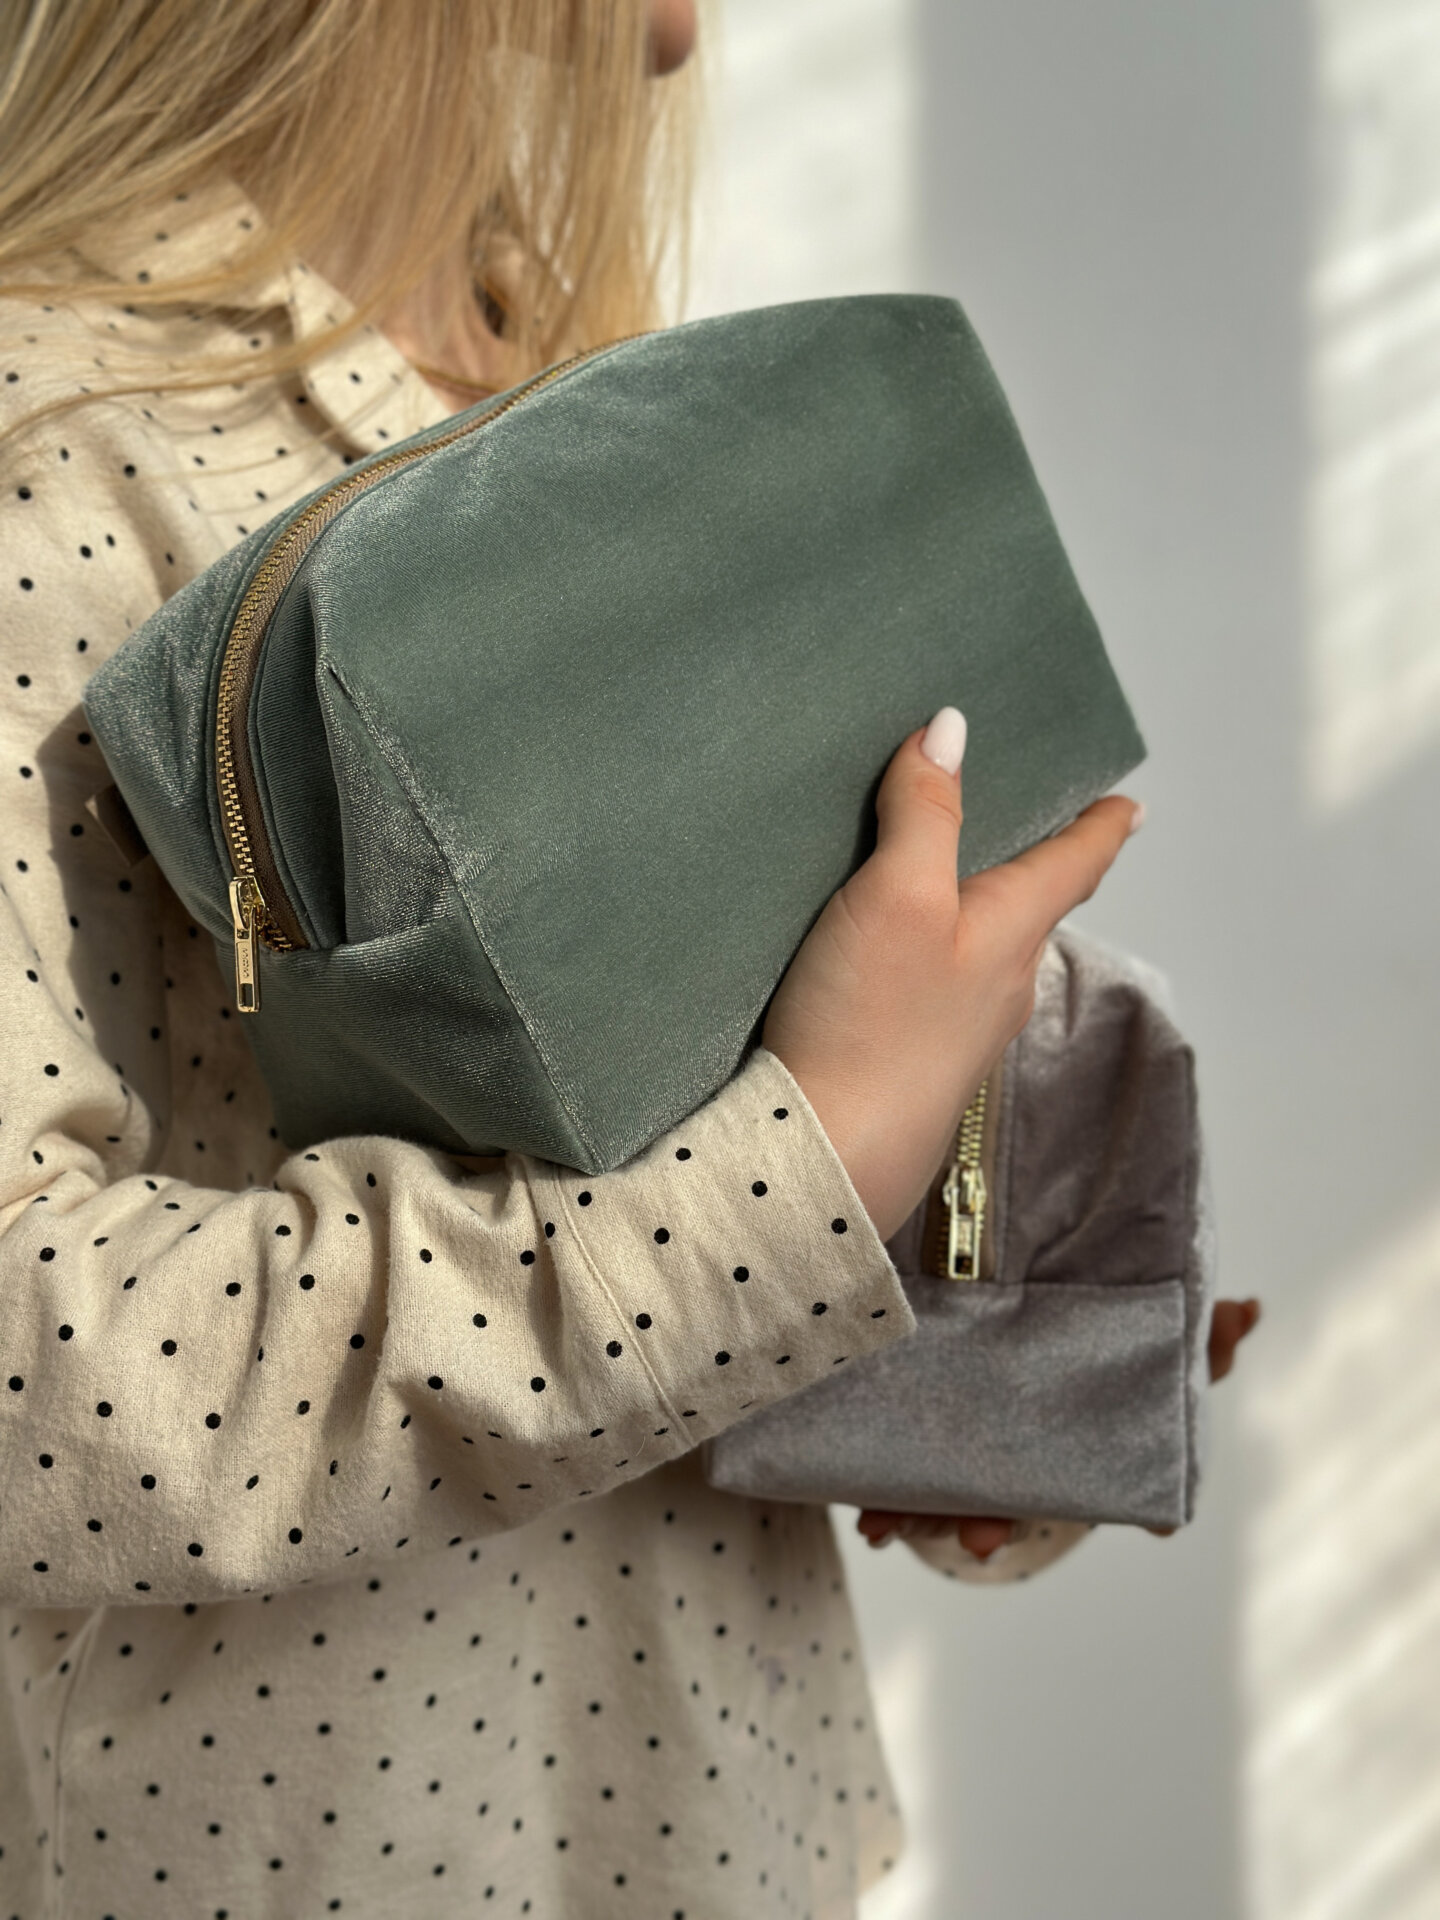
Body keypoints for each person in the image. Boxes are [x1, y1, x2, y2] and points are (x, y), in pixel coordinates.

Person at [0, 2, 1258, 1913]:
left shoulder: (574, 379)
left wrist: (981, 1346)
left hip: (726, 1809)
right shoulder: (49, 434)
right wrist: (789, 1184)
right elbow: (35, 1376)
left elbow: (664, 1175)